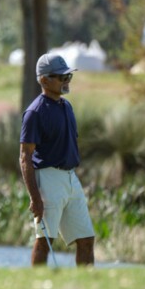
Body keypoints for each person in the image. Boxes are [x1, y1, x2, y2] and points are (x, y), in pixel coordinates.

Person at [19, 53, 95, 266]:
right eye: (61, 77)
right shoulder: (34, 112)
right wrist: (35, 197)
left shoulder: (66, 106)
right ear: (44, 80)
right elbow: (25, 157)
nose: (66, 81)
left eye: (68, 77)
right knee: (45, 241)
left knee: (86, 239)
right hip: (48, 179)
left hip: (71, 178)